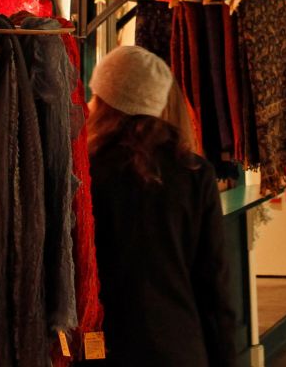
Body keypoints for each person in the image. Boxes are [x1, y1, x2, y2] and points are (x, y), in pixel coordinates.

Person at [87, 46, 238, 367]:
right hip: (179, 344)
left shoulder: (86, 171)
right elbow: (213, 280)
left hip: (106, 348)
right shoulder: (194, 173)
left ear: (106, 103)